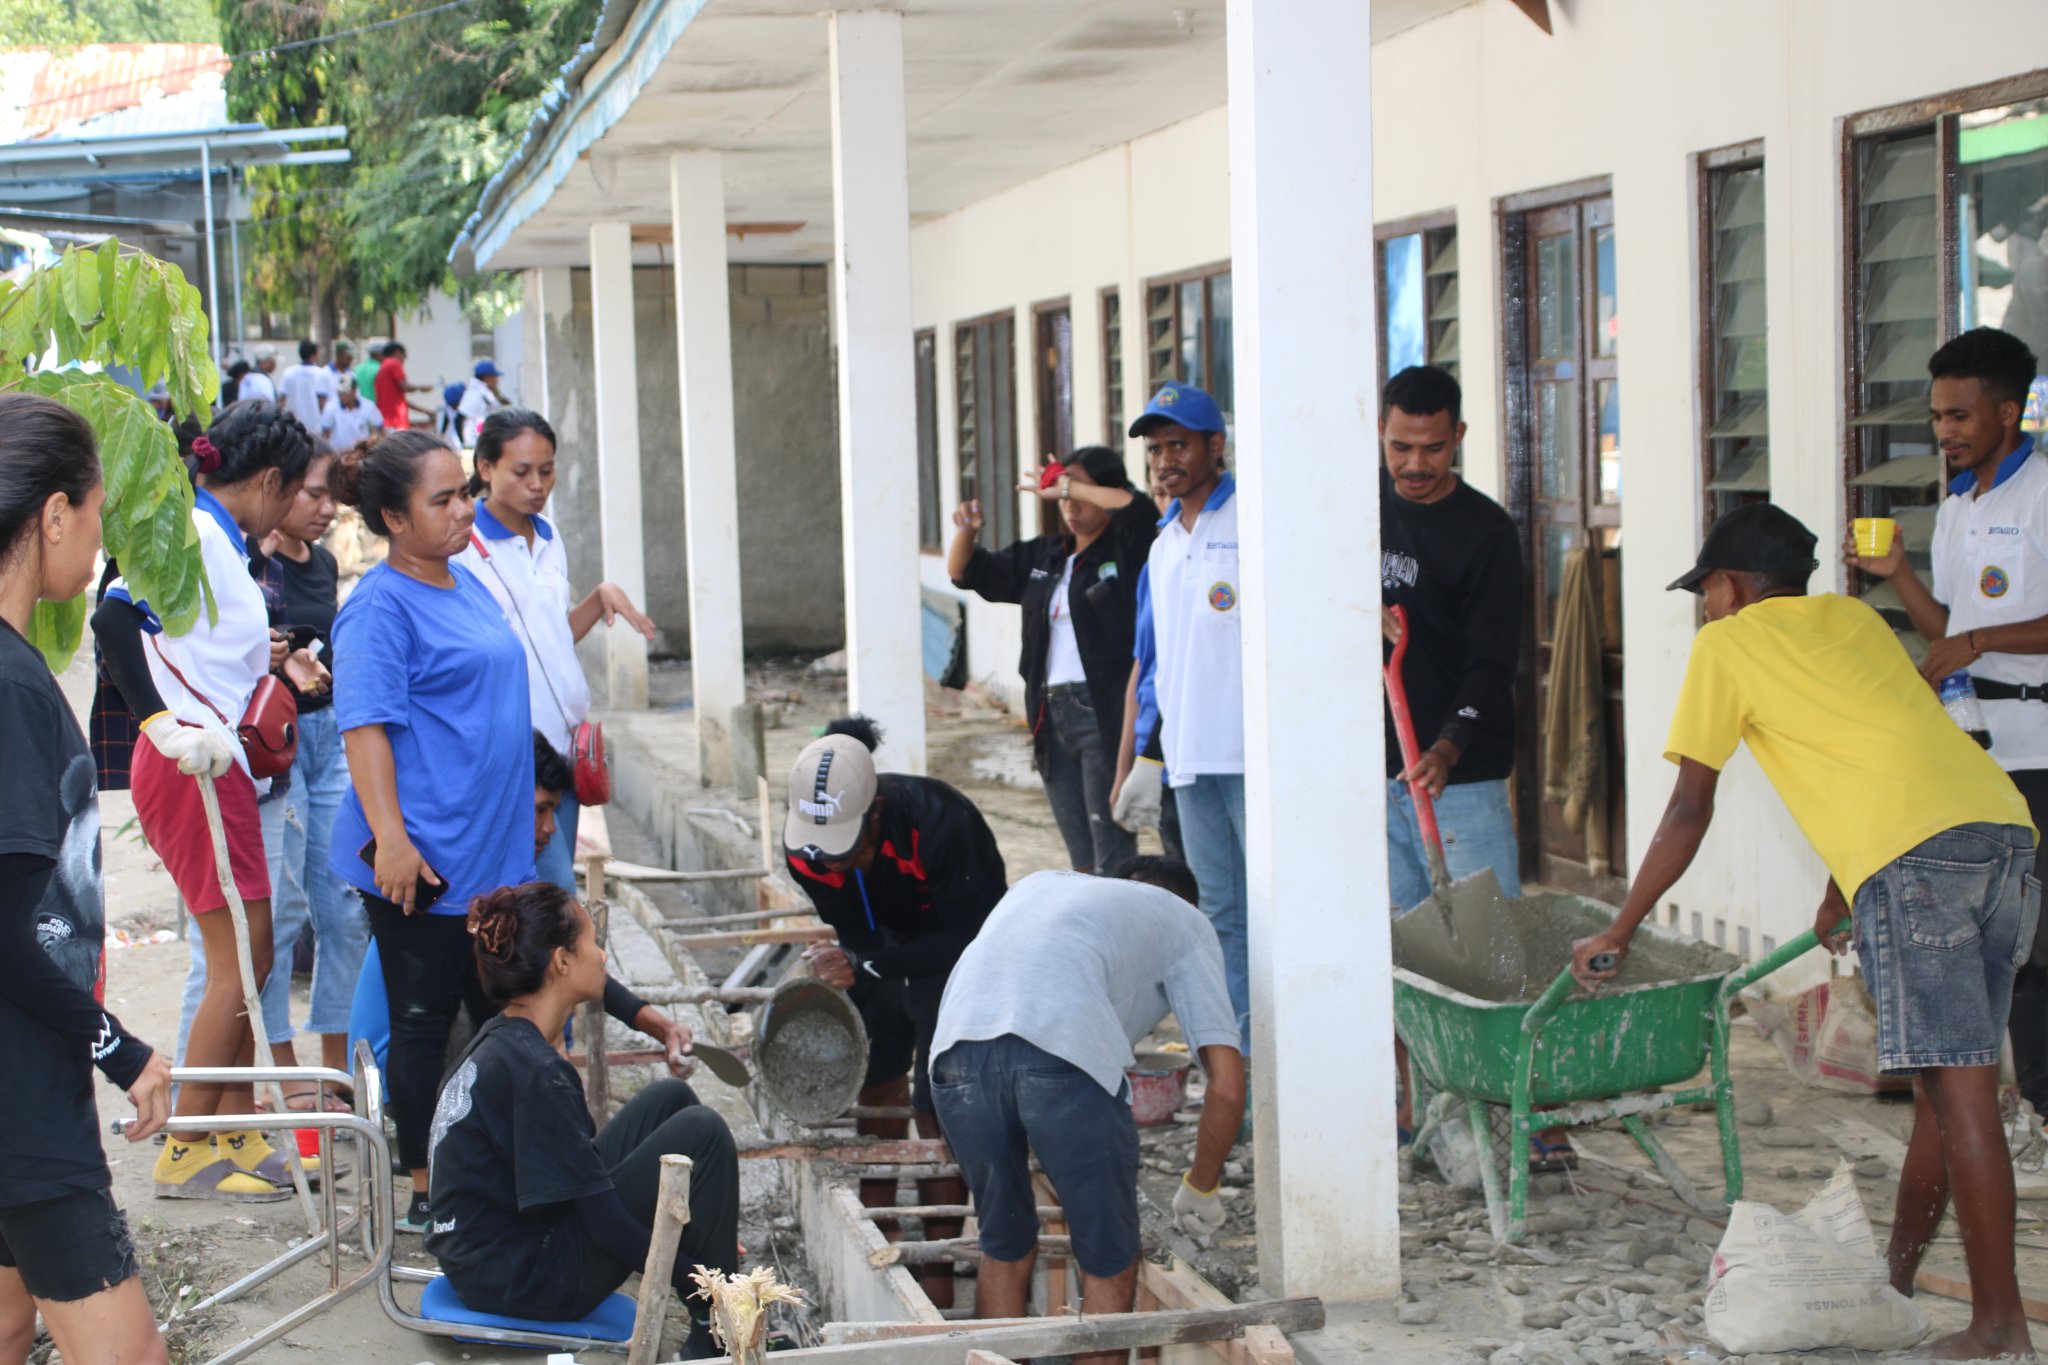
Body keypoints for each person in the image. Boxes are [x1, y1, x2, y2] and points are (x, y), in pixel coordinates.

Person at [1572, 502, 2037, 1362]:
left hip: (1921, 861)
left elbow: (1689, 805)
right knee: (1945, 1086)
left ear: (1738, 585)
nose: (1704, 607)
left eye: (1706, 590)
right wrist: (1842, 883)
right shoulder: (1855, 621)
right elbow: (1882, 745)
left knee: (1961, 1088)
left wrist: (1622, 924)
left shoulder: (1729, 644)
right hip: (2001, 834)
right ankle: (1894, 1283)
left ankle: (2002, 1326)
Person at [92, 400, 313, 1202]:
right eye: (294, 494)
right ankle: (188, 1141)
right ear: (268, 480)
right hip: (193, 764)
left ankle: (229, 1118)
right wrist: (160, 721)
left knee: (252, 951)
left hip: (209, 763)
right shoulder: (196, 529)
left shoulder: (216, 534)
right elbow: (113, 615)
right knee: (242, 955)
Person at [0, 393, 175, 1365]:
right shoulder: (13, 686)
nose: (99, 536)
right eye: (98, 510)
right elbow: (8, 931)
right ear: (54, 513)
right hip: (22, 1098)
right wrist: (118, 1046)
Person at [328, 430, 534, 1233]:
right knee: (421, 1023)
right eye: (442, 499)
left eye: (463, 493)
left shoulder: (465, 580)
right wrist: (394, 839)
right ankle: (422, 1190)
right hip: (424, 856)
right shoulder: (378, 608)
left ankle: (475, 1169)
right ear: (393, 517)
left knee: (486, 1021)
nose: (463, 509)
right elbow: (365, 729)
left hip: (489, 848)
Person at [1848, 326, 2048, 1123]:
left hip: (2039, 751)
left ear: (2009, 410)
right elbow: (1948, 636)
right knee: (2004, 943)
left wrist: (1983, 638)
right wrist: (1900, 574)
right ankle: (2021, 1110)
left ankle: (2038, 1107)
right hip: (1972, 754)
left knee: (2040, 949)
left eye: (1961, 416)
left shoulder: (2040, 496)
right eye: (1937, 416)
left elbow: (1978, 636)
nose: (1944, 432)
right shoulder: (1958, 503)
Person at [931, 859, 1244, 1365]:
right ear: (1184, 901)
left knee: (1004, 1241)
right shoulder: (1186, 922)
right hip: (1064, 1055)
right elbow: (1227, 1086)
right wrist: (1202, 1185)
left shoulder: (1043, 884)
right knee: (1109, 1257)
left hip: (955, 1054)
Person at [425, 882, 736, 1357]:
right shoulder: (537, 1072)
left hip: (489, 1259)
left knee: (670, 1098)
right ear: (562, 961)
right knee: (705, 1132)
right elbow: (606, 1225)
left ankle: (716, 1290)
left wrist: (654, 1022)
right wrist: (695, 1274)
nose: (603, 958)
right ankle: (721, 1318)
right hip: (525, 1280)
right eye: (593, 943)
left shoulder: (505, 1038)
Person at [782, 716, 1006, 1307]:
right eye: (821, 855)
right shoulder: (807, 850)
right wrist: (859, 963)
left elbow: (972, 936)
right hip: (874, 947)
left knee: (939, 1101)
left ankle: (938, 1252)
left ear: (875, 813)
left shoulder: (942, 824)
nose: (830, 866)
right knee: (877, 1079)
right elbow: (855, 933)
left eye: (845, 852)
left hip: (952, 952)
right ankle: (879, 1234)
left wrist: (877, 964)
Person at [453, 409, 655, 892]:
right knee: (555, 893)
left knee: (545, 894)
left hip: (563, 750)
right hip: (510, 752)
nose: (538, 484)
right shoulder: (462, 547)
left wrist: (599, 596)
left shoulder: (548, 535)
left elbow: (551, 637)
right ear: (486, 469)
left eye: (547, 470)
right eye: (521, 472)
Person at [1111, 381, 1249, 1051]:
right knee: (1218, 919)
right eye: (1157, 448)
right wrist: (1147, 755)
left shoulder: (1248, 519)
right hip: (1192, 765)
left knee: (1272, 917)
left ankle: (1285, 1058)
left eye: (1179, 445)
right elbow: (1156, 668)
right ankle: (1241, 1067)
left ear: (1213, 447)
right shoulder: (1163, 547)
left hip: (1252, 759)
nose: (1166, 459)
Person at [948, 446, 1155, 872]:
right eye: (1062, 497)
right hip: (1049, 715)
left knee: (1112, 849)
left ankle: (1119, 932)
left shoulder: (1127, 549)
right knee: (1080, 855)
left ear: (1107, 490)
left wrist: (1068, 483)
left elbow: (1140, 510)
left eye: (1079, 493)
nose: (1071, 506)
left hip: (1102, 713)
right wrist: (967, 531)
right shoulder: (1048, 555)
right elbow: (966, 572)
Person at [258, 445, 368, 1091]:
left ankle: (335, 1066)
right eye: (312, 495)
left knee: (343, 909)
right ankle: (283, 1069)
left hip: (328, 736)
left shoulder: (323, 562)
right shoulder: (254, 565)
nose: (327, 509)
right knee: (282, 911)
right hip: (276, 746)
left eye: (331, 496)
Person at [277, 340, 334, 436]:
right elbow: (322, 402)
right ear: (314, 354)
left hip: (293, 426)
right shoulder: (321, 374)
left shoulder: (289, 372)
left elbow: (281, 400)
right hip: (315, 428)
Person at [374, 342, 434, 431]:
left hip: (386, 421)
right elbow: (405, 387)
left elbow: (400, 402)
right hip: (396, 421)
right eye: (404, 357)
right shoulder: (394, 363)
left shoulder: (383, 366)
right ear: (398, 352)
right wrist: (422, 388)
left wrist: (426, 411)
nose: (403, 361)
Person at [324, 374, 384, 452]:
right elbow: (325, 434)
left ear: (354, 392)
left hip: (361, 452)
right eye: (340, 392)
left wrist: (372, 440)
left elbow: (380, 429)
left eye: (345, 392)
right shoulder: (330, 407)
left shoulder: (368, 406)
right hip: (338, 453)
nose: (342, 396)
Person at [457, 359, 508, 443]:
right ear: (487, 378)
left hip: (484, 440)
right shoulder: (475, 394)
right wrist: (462, 443)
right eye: (495, 377)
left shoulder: (486, 393)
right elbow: (459, 419)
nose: (497, 381)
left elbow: (504, 404)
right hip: (474, 443)